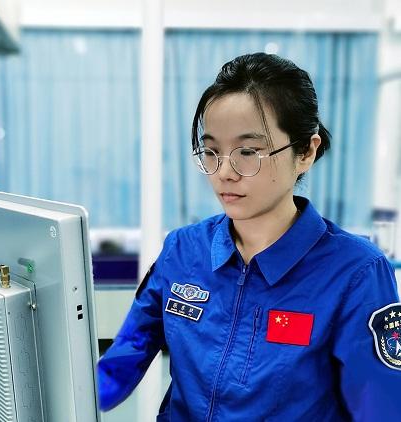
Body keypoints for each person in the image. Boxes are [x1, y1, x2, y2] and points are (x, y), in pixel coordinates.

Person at [96, 53, 401, 421]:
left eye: (247, 152)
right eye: (212, 151)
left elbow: (382, 409)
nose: (224, 172)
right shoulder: (184, 249)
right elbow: (119, 364)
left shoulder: (355, 273)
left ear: (306, 152)